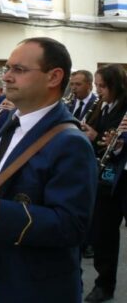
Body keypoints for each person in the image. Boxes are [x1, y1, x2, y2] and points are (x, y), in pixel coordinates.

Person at [0, 37, 97, 303]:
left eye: (19, 69)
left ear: (54, 77)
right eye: (7, 68)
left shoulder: (71, 141)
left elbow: (72, 226)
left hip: (36, 289)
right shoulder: (12, 123)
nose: (7, 77)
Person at [81, 64, 127, 303]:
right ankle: (104, 284)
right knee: (104, 235)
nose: (98, 91)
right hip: (105, 179)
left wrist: (101, 139)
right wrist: (89, 135)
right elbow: (101, 138)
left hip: (123, 177)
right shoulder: (100, 106)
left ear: (116, 86)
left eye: (103, 86)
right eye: (97, 85)